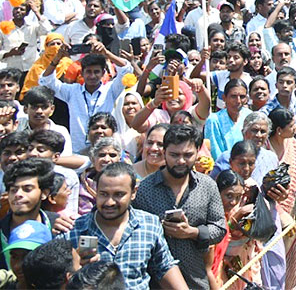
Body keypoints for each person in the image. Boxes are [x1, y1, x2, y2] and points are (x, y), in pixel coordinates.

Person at [132, 124, 227, 290]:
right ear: (164, 152)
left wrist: (192, 232)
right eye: (174, 155)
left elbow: (219, 228)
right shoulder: (145, 189)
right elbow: (133, 232)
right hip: (154, 283)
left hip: (195, 279)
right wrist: (158, 230)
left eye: (188, 155)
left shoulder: (207, 186)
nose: (181, 161)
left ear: (198, 151)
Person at [64, 162, 186, 290]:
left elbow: (164, 267)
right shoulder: (74, 230)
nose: (109, 202)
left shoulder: (149, 225)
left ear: (133, 193)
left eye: (118, 194)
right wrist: (75, 267)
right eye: (104, 194)